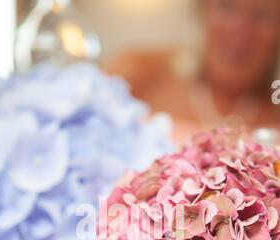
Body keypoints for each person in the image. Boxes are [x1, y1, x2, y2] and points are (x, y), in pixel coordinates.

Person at [108, 0, 280, 143]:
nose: (241, 30)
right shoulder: (137, 73)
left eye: (262, 15)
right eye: (226, 6)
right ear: (202, 10)